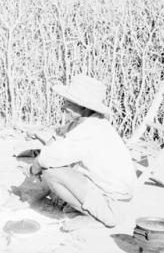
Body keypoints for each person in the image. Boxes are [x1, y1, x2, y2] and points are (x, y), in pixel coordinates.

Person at [27, 75, 138, 232]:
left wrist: (34, 167)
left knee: (51, 172)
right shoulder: (86, 121)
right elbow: (58, 136)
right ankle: (91, 207)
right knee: (56, 164)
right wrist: (44, 141)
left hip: (114, 202)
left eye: (69, 104)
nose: (64, 106)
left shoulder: (91, 129)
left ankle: (97, 216)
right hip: (107, 190)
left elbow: (49, 158)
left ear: (84, 107)